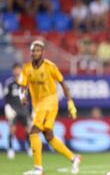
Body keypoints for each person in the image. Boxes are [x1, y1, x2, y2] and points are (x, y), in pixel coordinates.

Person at [19, 40, 81, 175]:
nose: (34, 53)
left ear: (42, 52)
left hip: (50, 102)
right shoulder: (26, 68)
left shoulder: (50, 67)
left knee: (33, 131)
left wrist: (70, 103)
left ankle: (38, 169)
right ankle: (74, 158)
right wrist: (22, 96)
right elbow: (22, 86)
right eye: (32, 50)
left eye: (37, 50)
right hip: (38, 105)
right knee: (48, 136)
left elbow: (63, 84)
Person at [3, 63, 32, 159]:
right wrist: (8, 108)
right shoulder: (9, 83)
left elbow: (30, 97)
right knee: (12, 129)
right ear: (13, 71)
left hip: (23, 109)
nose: (17, 71)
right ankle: (10, 149)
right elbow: (6, 97)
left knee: (28, 129)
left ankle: (29, 149)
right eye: (15, 69)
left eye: (18, 69)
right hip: (13, 109)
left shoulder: (25, 82)